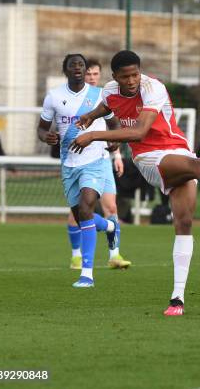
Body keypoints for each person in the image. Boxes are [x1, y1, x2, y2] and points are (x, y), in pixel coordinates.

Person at [70, 50, 200, 316]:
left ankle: (177, 298)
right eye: (125, 76)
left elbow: (138, 130)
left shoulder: (153, 87)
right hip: (148, 159)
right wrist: (91, 115)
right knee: (197, 168)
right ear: (115, 77)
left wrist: (94, 135)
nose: (131, 80)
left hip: (178, 151)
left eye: (135, 74)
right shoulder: (110, 90)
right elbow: (110, 107)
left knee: (183, 224)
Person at [38, 54, 123, 288]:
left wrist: (115, 143)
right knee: (80, 216)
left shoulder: (99, 96)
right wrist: (48, 137)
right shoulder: (54, 97)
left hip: (94, 161)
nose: (78, 68)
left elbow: (114, 124)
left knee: (87, 206)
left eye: (81, 65)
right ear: (65, 70)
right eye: (73, 64)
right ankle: (110, 226)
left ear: (85, 70)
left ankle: (87, 274)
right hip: (68, 164)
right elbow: (42, 129)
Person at [63, 57, 130, 271]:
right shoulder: (71, 97)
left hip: (101, 160)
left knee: (110, 206)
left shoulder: (104, 96)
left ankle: (114, 254)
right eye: (88, 73)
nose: (91, 77)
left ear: (100, 75)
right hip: (76, 162)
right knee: (78, 212)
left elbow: (113, 127)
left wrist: (117, 155)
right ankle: (76, 255)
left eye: (94, 74)